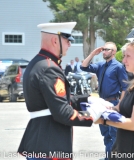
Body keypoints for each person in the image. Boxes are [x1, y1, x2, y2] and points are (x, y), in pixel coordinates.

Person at [17, 22, 106, 160]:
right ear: (54, 40)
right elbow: (63, 113)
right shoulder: (49, 68)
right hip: (50, 143)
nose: (69, 44)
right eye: (66, 40)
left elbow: (58, 99)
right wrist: (93, 114)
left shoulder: (39, 63)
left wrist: (87, 99)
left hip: (41, 140)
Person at [81, 42, 128, 160]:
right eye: (103, 49)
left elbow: (125, 88)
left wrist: (119, 106)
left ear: (113, 52)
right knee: (106, 135)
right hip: (102, 103)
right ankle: (108, 157)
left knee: (114, 134)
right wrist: (93, 53)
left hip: (113, 103)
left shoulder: (118, 67)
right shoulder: (101, 65)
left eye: (106, 49)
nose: (104, 51)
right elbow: (84, 67)